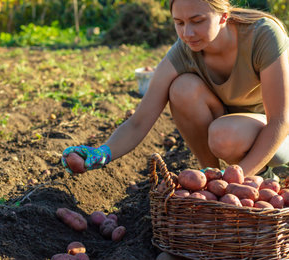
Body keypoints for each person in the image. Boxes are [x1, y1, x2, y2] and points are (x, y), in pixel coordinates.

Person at [62, 0, 289, 179]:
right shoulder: (182, 52)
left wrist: (236, 180)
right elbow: (139, 122)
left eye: (197, 21)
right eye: (179, 23)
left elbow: (280, 120)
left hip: (277, 135)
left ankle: (262, 174)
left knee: (224, 134)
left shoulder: (262, 35)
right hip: (232, 127)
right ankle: (210, 177)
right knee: (182, 88)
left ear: (223, 16)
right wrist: (103, 152)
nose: (187, 33)